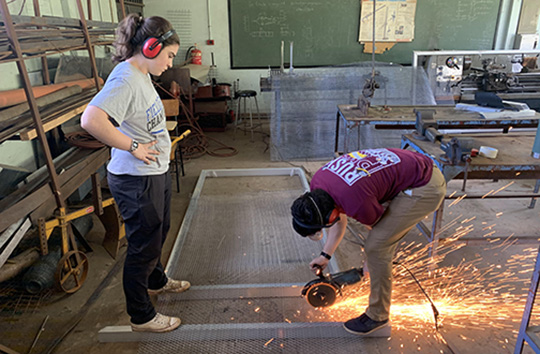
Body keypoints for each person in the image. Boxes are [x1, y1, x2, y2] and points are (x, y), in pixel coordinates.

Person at [81, 14, 189, 333]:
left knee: (159, 230)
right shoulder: (125, 79)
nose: (170, 63)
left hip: (154, 172)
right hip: (135, 178)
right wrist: (133, 146)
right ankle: (141, 315)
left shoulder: (141, 74)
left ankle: (156, 281)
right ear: (152, 47)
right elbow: (91, 120)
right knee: (144, 245)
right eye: (169, 56)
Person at [290, 148, 446, 336]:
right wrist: (325, 255)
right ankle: (380, 277)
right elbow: (339, 218)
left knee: (377, 247)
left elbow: (375, 231)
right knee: (377, 248)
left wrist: (370, 263)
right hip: (412, 164)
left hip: (425, 185)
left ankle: (377, 316)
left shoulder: (356, 201)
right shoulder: (318, 184)